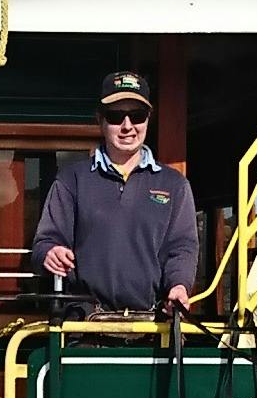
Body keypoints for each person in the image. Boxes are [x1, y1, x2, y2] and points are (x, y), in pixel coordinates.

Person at [29, 71, 197, 314]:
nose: (128, 126)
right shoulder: (71, 180)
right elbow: (44, 244)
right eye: (116, 116)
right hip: (83, 328)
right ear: (100, 120)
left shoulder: (175, 185)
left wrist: (179, 285)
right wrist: (49, 253)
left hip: (152, 328)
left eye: (137, 116)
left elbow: (182, 248)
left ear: (149, 119)